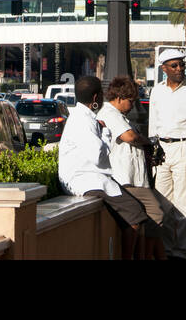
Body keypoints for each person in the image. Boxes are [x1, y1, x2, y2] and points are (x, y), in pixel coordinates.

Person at [56, 75, 156, 259]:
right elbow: (98, 157)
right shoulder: (83, 121)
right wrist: (105, 133)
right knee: (135, 213)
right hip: (87, 180)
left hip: (89, 178)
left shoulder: (81, 116)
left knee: (134, 213)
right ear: (96, 98)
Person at [97, 75, 186, 259]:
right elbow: (129, 137)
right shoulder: (110, 114)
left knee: (152, 221)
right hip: (126, 179)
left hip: (136, 179)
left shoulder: (119, 116)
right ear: (118, 98)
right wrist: (146, 142)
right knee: (157, 213)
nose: (133, 105)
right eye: (130, 101)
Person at [149, 48, 186, 223]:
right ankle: (167, 249)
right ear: (164, 69)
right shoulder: (157, 91)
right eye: (174, 66)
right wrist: (152, 150)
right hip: (162, 150)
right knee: (162, 203)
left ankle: (180, 250)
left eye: (182, 65)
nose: (179, 69)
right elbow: (153, 123)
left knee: (184, 204)